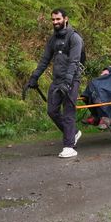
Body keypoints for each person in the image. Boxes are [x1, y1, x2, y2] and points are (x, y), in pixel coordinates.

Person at [25, 8, 85, 159]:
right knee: (52, 111)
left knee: (68, 112)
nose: (55, 22)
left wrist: (67, 83)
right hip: (57, 80)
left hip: (71, 80)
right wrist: (34, 77)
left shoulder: (75, 38)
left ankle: (69, 146)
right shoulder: (53, 39)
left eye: (58, 19)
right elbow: (45, 59)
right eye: (53, 20)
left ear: (66, 19)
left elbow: (74, 62)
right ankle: (74, 133)